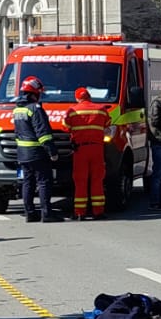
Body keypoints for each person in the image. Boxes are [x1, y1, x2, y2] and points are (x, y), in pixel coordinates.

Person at [11, 75, 59, 223]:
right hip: (37, 153)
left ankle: (30, 213)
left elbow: (17, 133)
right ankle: (47, 214)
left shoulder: (17, 110)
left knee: (28, 183)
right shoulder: (35, 109)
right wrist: (52, 152)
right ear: (34, 93)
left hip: (23, 154)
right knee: (44, 182)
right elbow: (43, 133)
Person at [67, 86, 111, 219]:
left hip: (80, 150)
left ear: (77, 98)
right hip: (97, 149)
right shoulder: (101, 109)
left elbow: (66, 127)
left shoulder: (72, 111)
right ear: (89, 96)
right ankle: (98, 211)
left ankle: (80, 213)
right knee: (97, 179)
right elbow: (107, 124)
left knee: (80, 181)